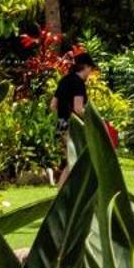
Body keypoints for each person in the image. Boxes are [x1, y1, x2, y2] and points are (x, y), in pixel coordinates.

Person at [50, 51, 97, 184]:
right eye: (90, 69)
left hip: (62, 124)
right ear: (86, 67)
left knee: (68, 160)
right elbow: (78, 108)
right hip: (73, 126)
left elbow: (53, 105)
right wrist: (92, 119)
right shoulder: (78, 83)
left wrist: (63, 115)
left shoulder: (64, 80)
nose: (90, 73)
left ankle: (64, 190)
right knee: (73, 160)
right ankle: (62, 192)